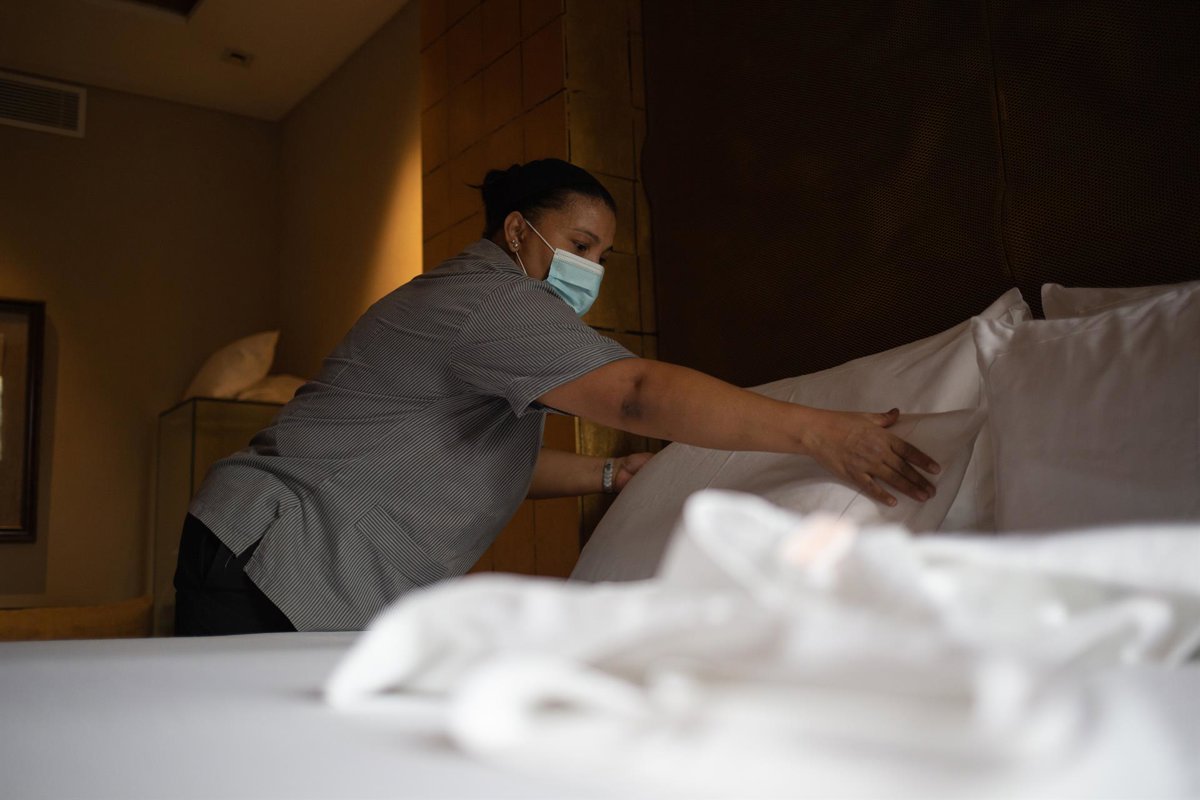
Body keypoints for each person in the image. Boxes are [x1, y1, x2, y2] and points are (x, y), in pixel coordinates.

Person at [174, 158, 940, 636]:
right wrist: (822, 433)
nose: (591, 270)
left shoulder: (487, 318)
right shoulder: (489, 302)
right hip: (275, 552)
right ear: (516, 231)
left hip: (284, 555)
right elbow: (636, 393)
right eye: (578, 246)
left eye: (602, 255)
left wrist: (611, 475)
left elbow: (475, 456)